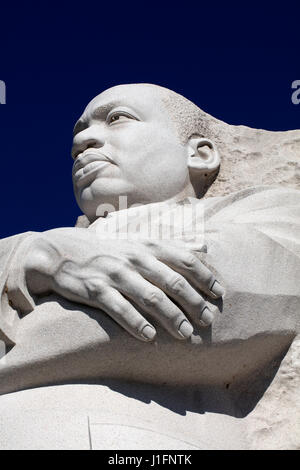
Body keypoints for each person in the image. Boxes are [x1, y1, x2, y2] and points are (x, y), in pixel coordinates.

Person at [0, 84, 299, 449]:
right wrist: (28, 254)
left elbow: (202, 308)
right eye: (78, 136)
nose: (84, 143)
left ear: (200, 154)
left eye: (117, 118)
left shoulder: (269, 213)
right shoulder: (27, 248)